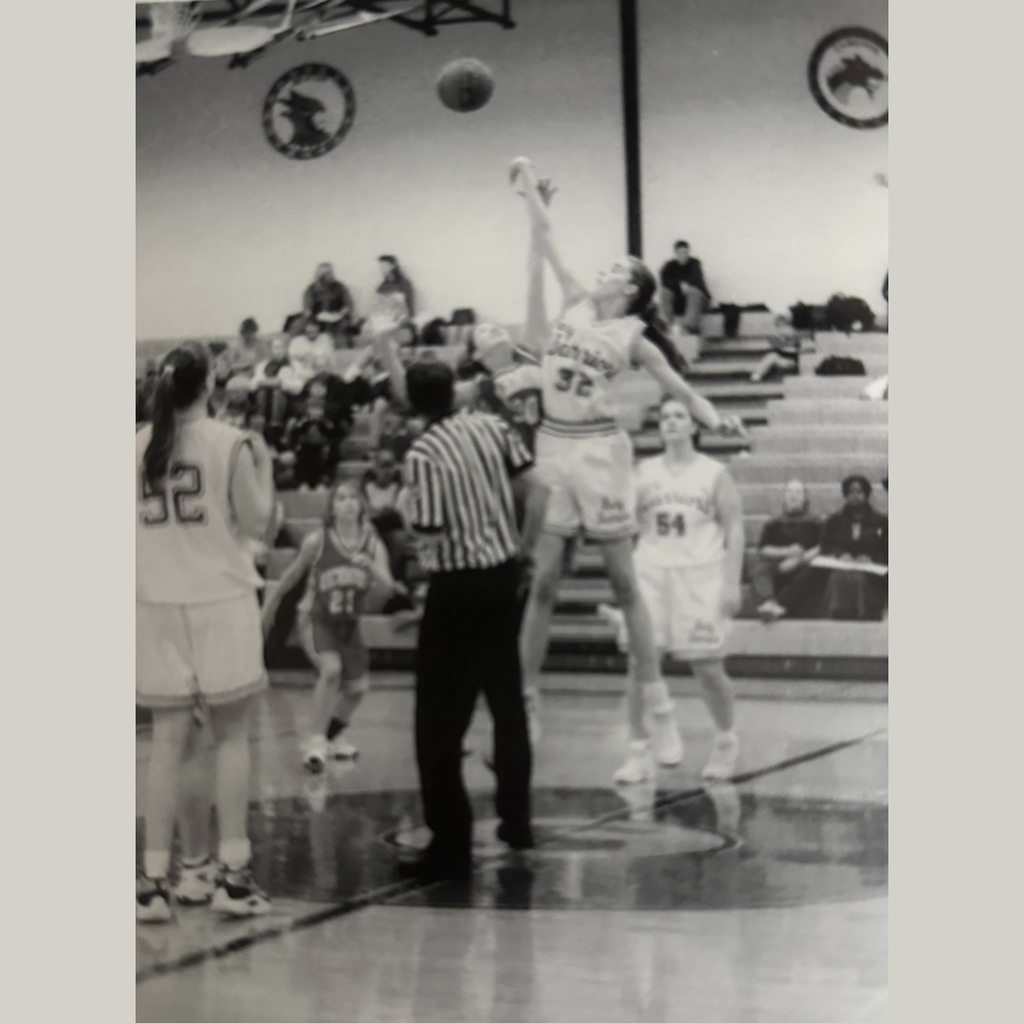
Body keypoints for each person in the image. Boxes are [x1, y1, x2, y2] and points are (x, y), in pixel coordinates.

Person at [508, 156, 739, 749]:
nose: (603, 270)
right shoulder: (578, 300)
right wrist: (532, 189)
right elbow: (545, 238)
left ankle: (658, 700)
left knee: (623, 582)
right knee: (543, 582)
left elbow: (679, 388)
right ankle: (525, 700)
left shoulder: (633, 336)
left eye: (617, 268)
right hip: (553, 448)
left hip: (599, 453)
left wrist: (716, 417)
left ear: (632, 289)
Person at [136, 342, 276, 922]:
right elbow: (259, 519)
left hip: (154, 603)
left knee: (166, 743)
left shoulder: (133, 444)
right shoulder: (229, 442)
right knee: (230, 739)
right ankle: (233, 878)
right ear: (212, 382)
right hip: (220, 599)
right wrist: (265, 466)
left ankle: (154, 882)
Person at [400, 359, 549, 882]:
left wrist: (405, 511)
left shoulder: (422, 452)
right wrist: (525, 550)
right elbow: (540, 489)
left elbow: (432, 533)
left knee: (437, 719)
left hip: (457, 587)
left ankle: (450, 839)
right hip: (503, 576)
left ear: (412, 401)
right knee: (507, 705)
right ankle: (518, 821)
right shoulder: (490, 426)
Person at [598, 397, 745, 782]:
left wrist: (731, 581)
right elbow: (622, 526)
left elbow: (735, 528)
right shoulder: (642, 472)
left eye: (680, 415)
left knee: (708, 667)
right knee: (639, 665)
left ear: (695, 426)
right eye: (664, 416)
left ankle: (727, 740)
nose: (672, 422)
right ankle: (638, 751)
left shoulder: (714, 473)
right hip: (651, 572)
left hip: (700, 575)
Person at [262, 480, 401, 770]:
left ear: (362, 505)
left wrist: (371, 567)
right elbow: (290, 575)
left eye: (353, 498)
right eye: (341, 498)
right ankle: (315, 741)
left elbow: (389, 586)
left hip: (348, 626)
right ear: (332, 508)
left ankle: (332, 735)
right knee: (331, 671)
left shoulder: (373, 544)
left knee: (358, 689)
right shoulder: (318, 541)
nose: (348, 503)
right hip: (315, 619)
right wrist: (270, 605)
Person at [761, 475, 887, 621]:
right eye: (851, 492)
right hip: (841, 563)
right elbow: (827, 544)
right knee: (811, 568)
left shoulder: (882, 521)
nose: (855, 496)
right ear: (846, 495)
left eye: (859, 492)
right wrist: (840, 554)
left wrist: (871, 558)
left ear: (867, 494)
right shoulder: (835, 520)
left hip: (872, 567)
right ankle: (781, 604)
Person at [749, 479, 822, 616]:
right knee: (758, 566)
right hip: (779, 564)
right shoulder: (774, 522)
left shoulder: (815, 521)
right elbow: (763, 549)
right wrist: (787, 553)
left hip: (804, 564)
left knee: (812, 571)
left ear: (805, 498)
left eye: (798, 492)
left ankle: (782, 604)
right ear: (783, 497)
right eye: (789, 491)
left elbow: (824, 545)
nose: (793, 495)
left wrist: (798, 560)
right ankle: (768, 601)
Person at [659, 240, 711, 337]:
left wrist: (687, 285)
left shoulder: (695, 263)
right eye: (680, 253)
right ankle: (669, 325)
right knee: (665, 292)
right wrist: (680, 284)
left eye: (685, 253)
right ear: (676, 253)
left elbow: (698, 280)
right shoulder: (669, 266)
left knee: (693, 291)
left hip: (698, 300)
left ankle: (688, 327)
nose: (683, 256)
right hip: (679, 301)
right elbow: (665, 281)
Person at [302, 262, 354, 344]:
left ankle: (341, 351)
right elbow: (307, 308)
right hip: (317, 320)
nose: (329, 276)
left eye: (330, 273)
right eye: (325, 274)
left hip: (337, 319)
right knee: (305, 326)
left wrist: (339, 315)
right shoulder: (311, 289)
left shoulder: (340, 287)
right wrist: (315, 317)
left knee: (343, 327)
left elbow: (348, 305)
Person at [375, 255, 416, 322]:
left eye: (384, 266)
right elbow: (378, 306)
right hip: (385, 320)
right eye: (380, 267)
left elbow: (409, 303)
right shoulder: (382, 287)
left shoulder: (404, 283)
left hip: (402, 320)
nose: (381, 269)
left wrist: (410, 319)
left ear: (393, 266)